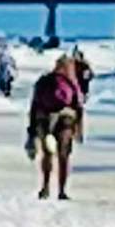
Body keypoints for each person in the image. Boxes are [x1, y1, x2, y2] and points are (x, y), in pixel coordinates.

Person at [25, 50, 88, 200]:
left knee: (50, 154)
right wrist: (79, 129)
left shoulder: (45, 81)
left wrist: (32, 129)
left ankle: (47, 188)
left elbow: (34, 105)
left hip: (47, 119)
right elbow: (78, 107)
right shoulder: (71, 83)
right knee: (62, 155)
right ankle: (59, 190)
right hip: (64, 119)